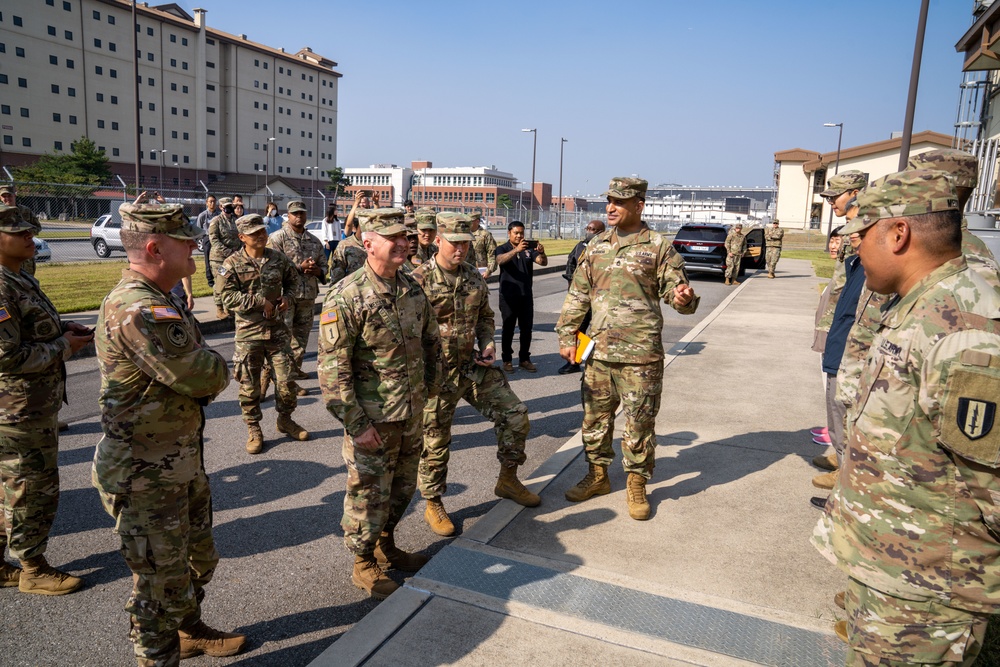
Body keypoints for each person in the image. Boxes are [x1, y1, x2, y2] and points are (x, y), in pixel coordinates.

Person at [812, 168, 1000, 666]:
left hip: (928, 596)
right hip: (895, 574)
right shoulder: (921, 304)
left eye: (864, 235)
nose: (856, 250)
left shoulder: (964, 332)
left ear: (898, 234)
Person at [94, 201, 245, 665]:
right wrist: (220, 363)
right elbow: (203, 375)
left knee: (198, 560)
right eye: (186, 240)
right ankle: (160, 650)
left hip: (175, 461)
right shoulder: (139, 308)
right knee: (159, 585)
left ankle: (188, 629)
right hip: (144, 475)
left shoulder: (163, 299)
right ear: (156, 248)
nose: (196, 246)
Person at [556, 177, 698, 521]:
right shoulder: (596, 245)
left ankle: (636, 482)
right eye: (609, 201)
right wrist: (567, 334)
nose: (611, 208)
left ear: (639, 205)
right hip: (599, 354)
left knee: (639, 424)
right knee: (594, 421)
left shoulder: (659, 247)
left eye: (619, 202)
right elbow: (578, 293)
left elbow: (678, 294)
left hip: (640, 356)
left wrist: (685, 299)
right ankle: (598, 476)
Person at [317, 207, 441, 600]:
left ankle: (386, 545)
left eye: (405, 237)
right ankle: (363, 561)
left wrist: (431, 393)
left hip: (411, 413)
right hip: (373, 420)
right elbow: (333, 370)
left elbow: (431, 342)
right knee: (368, 494)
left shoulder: (412, 287)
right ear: (369, 244)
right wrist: (356, 424)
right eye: (394, 238)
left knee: (402, 490)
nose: (404, 243)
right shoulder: (347, 295)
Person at [413, 212, 538, 537]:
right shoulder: (418, 280)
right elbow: (404, 332)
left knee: (516, 416)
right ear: (438, 240)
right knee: (436, 440)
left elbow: (485, 316)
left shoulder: (473, 277)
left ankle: (508, 480)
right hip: (435, 374)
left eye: (466, 244)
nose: (460, 250)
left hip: (472, 366)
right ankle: (433, 502)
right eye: (454, 243)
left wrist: (486, 344)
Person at [0, 204, 92, 595]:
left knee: (11, 485)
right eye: (19, 232)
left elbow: (27, 332)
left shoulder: (19, 278)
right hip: (18, 410)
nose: (29, 237)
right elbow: (6, 357)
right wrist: (63, 346)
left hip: (32, 406)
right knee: (30, 488)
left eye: (30, 231)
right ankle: (33, 568)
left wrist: (62, 328)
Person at [219, 214, 308, 454]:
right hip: (249, 334)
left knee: (286, 381)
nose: (260, 236)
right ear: (241, 237)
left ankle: (285, 420)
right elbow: (225, 296)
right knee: (249, 386)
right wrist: (259, 302)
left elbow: (294, 282)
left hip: (278, 332)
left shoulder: (278, 259)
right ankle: (254, 429)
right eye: (254, 233)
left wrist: (288, 298)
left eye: (262, 231)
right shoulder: (231, 264)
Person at [267, 200, 327, 384]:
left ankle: (292, 374)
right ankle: (277, 377)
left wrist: (318, 271)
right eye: (295, 213)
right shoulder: (278, 238)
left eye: (302, 213)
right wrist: (299, 268)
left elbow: (325, 267)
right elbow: (272, 268)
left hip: (307, 296)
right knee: (283, 340)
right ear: (288, 215)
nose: (299, 216)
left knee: (300, 340)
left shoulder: (314, 241)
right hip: (286, 296)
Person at [495, 220, 547, 373]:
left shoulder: (528, 249)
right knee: (508, 329)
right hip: (508, 296)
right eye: (516, 233)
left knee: (526, 329)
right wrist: (516, 250)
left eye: (521, 233)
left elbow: (542, 262)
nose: (519, 236)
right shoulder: (502, 248)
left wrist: (542, 252)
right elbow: (500, 260)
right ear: (509, 233)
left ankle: (524, 358)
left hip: (525, 296)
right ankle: (507, 360)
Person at [558, 219, 606, 375]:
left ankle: (598, 363)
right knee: (579, 330)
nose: (588, 231)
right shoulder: (580, 247)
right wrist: (571, 285)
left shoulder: (607, 247)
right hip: (583, 298)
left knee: (600, 331)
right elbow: (571, 265)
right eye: (588, 228)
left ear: (600, 232)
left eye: (592, 229)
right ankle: (575, 361)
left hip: (600, 299)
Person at [207, 197, 241, 320]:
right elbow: (214, 240)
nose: (228, 208)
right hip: (219, 259)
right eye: (226, 206)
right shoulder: (216, 221)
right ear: (221, 207)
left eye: (230, 206)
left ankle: (229, 308)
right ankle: (220, 309)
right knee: (220, 282)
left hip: (234, 258)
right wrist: (228, 252)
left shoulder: (235, 220)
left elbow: (240, 237)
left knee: (232, 282)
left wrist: (239, 252)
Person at [0, 185, 42, 276]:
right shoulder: (1, 213)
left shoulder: (25, 211)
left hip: (25, 253)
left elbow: (37, 227)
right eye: (4, 196)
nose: (7, 198)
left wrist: (25, 234)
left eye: (9, 195)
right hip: (8, 254)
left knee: (28, 280)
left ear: (14, 195)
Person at [328, 210, 368, 285]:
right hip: (352, 290)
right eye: (364, 224)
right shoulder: (345, 245)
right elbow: (337, 274)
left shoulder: (377, 244)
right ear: (356, 226)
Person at [196, 194, 219, 288]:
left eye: (214, 201)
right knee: (208, 259)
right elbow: (198, 229)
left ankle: (219, 276)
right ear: (207, 203)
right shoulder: (202, 215)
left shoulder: (219, 215)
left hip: (217, 238)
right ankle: (210, 280)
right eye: (210, 201)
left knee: (219, 259)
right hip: (207, 238)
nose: (212, 203)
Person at [467, 211, 498, 278]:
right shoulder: (465, 234)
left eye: (471, 221)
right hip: (466, 270)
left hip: (481, 272)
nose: (468, 223)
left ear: (477, 221)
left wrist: (489, 270)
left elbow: (492, 254)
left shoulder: (485, 235)